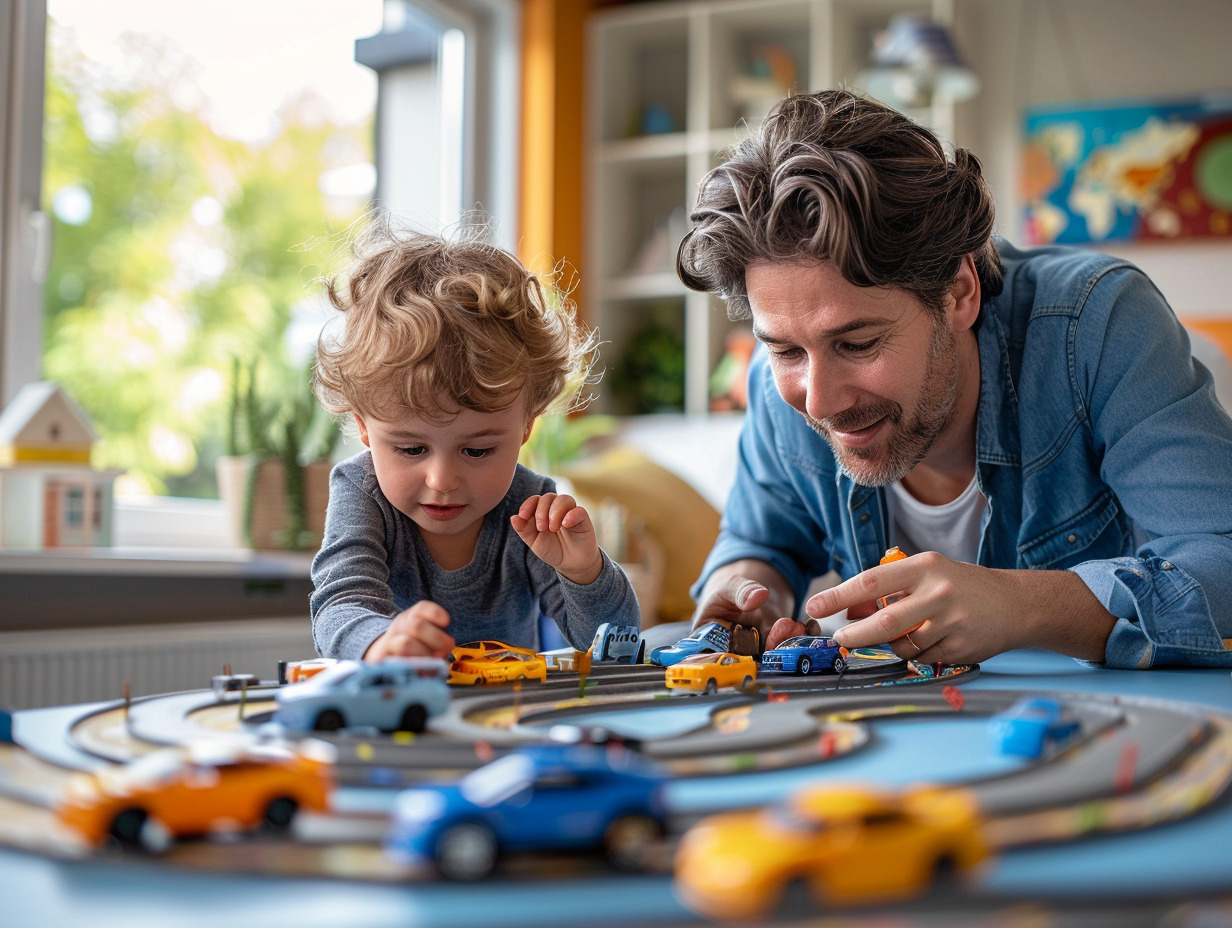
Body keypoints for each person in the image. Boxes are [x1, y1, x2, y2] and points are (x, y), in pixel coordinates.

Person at [676, 89, 1232, 670]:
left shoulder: (1095, 324)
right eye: (786, 350)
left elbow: (1221, 552)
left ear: (960, 291)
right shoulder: (789, 390)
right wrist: (740, 598)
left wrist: (1023, 605)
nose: (819, 399)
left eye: (858, 343)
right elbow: (759, 545)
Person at [310, 218, 639, 661]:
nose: (442, 479)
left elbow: (612, 643)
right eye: (411, 449)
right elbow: (339, 605)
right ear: (365, 427)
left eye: (478, 450)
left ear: (527, 425)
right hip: (400, 714)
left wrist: (584, 572)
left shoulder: (529, 503)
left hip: (506, 718)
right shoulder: (361, 493)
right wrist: (377, 643)